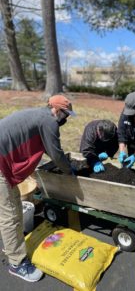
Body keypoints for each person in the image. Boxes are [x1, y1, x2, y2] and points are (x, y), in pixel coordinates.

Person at [0, 94, 76, 282]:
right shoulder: (48, 121)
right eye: (65, 115)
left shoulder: (38, 115)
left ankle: (11, 244)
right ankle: (17, 263)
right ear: (57, 110)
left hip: (3, 158)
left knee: (13, 202)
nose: (65, 119)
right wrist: (70, 171)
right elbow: (56, 154)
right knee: (9, 213)